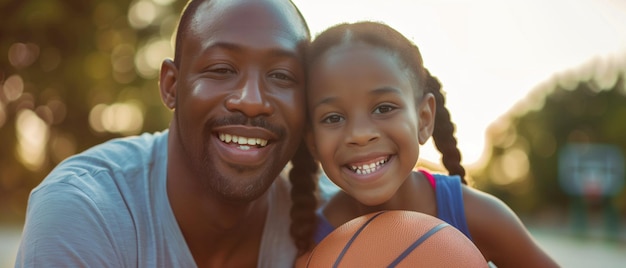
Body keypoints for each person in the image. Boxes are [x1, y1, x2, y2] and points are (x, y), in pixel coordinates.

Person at [15, 0, 319, 267]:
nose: (252, 101)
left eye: (282, 75)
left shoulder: (338, 224)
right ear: (171, 86)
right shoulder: (84, 209)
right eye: (222, 69)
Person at [299, 21, 559, 267]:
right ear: (312, 142)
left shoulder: (479, 216)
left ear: (423, 119)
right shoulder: (312, 243)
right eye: (333, 117)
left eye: (384, 108)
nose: (360, 134)